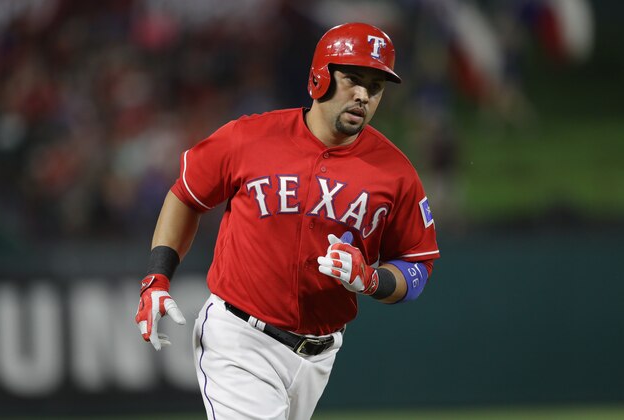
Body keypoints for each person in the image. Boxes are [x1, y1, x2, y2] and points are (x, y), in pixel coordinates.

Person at [135, 22, 440, 420]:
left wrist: (370, 278)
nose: (363, 95)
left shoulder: (395, 173)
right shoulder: (250, 137)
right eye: (352, 78)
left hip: (319, 354)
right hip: (240, 337)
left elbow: (417, 265)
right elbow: (186, 195)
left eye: (375, 85)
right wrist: (157, 276)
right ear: (320, 76)